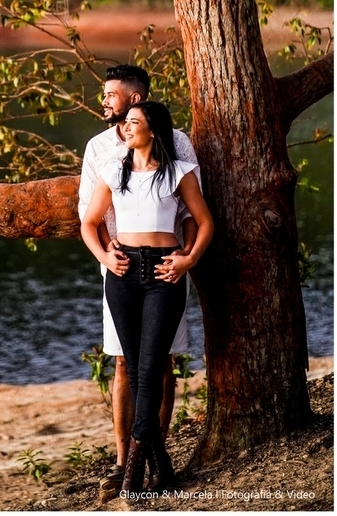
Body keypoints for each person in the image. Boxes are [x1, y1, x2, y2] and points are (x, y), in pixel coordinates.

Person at [81, 100, 214, 495]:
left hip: (163, 272)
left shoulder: (179, 171)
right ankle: (161, 466)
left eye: (133, 122)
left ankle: (134, 467)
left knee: (152, 367)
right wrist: (105, 256)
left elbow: (204, 222)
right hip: (123, 272)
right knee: (136, 368)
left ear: (153, 130)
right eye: (125, 122)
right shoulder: (113, 169)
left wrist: (188, 260)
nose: (125, 128)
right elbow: (89, 222)